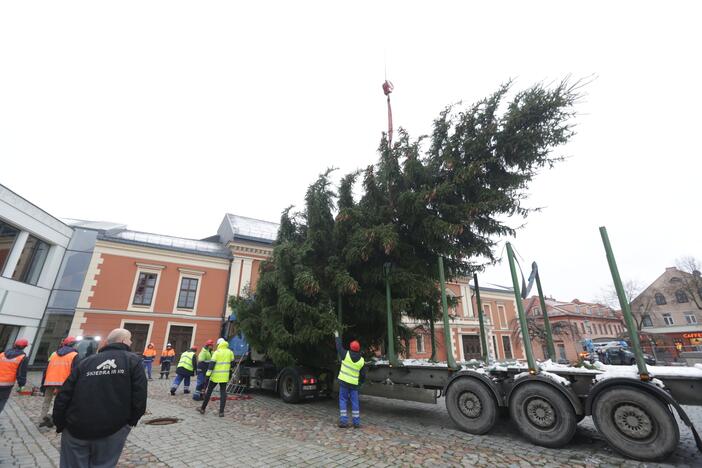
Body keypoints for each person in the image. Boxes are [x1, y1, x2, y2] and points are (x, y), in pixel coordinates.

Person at [53, 328, 147, 468]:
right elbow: (139, 394)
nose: (131, 341)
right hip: (113, 428)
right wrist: (131, 421)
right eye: (130, 339)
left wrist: (60, 423)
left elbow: (64, 394)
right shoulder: (133, 360)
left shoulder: (86, 362)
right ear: (122, 341)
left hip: (75, 428)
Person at [39, 336, 79, 428]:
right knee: (58, 401)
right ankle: (49, 416)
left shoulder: (53, 354)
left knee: (46, 401)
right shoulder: (74, 355)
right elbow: (75, 371)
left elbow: (46, 369)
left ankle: (42, 418)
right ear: (74, 344)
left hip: (49, 381)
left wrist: (43, 383)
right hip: (63, 382)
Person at [335, 331, 365, 428]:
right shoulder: (361, 360)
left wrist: (337, 336)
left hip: (344, 382)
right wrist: (360, 383)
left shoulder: (345, 354)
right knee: (355, 402)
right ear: (358, 349)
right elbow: (363, 375)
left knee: (343, 400)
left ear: (351, 347)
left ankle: (344, 421)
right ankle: (356, 422)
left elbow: (339, 347)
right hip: (354, 385)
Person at [197, 339, 234, 417]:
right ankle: (221, 412)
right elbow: (232, 364)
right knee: (223, 393)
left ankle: (203, 408)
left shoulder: (217, 353)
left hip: (215, 377)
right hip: (224, 377)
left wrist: (207, 375)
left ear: (219, 344)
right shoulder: (230, 352)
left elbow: (211, 365)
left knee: (209, 392)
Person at [0, 338, 29, 415]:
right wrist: (21, 385)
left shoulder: (2, 354)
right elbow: (21, 373)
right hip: (6, 385)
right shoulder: (23, 358)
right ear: (25, 347)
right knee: (2, 400)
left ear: (14, 344)